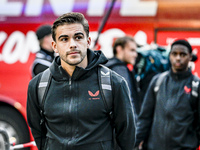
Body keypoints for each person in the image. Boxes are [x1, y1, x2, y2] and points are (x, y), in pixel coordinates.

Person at [27, 12, 135, 150]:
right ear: (54, 46)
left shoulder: (114, 83)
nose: (72, 44)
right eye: (64, 39)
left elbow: (126, 138)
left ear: (88, 41)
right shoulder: (37, 86)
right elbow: (38, 133)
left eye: (78, 37)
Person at [135, 39, 200, 150]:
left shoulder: (196, 86)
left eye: (183, 54)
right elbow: (145, 118)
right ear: (170, 56)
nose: (178, 58)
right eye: (174, 54)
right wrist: (134, 143)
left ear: (190, 57)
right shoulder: (157, 81)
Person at [105, 36, 140, 117]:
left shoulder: (108, 67)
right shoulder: (120, 69)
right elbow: (127, 100)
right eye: (132, 50)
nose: (135, 55)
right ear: (119, 49)